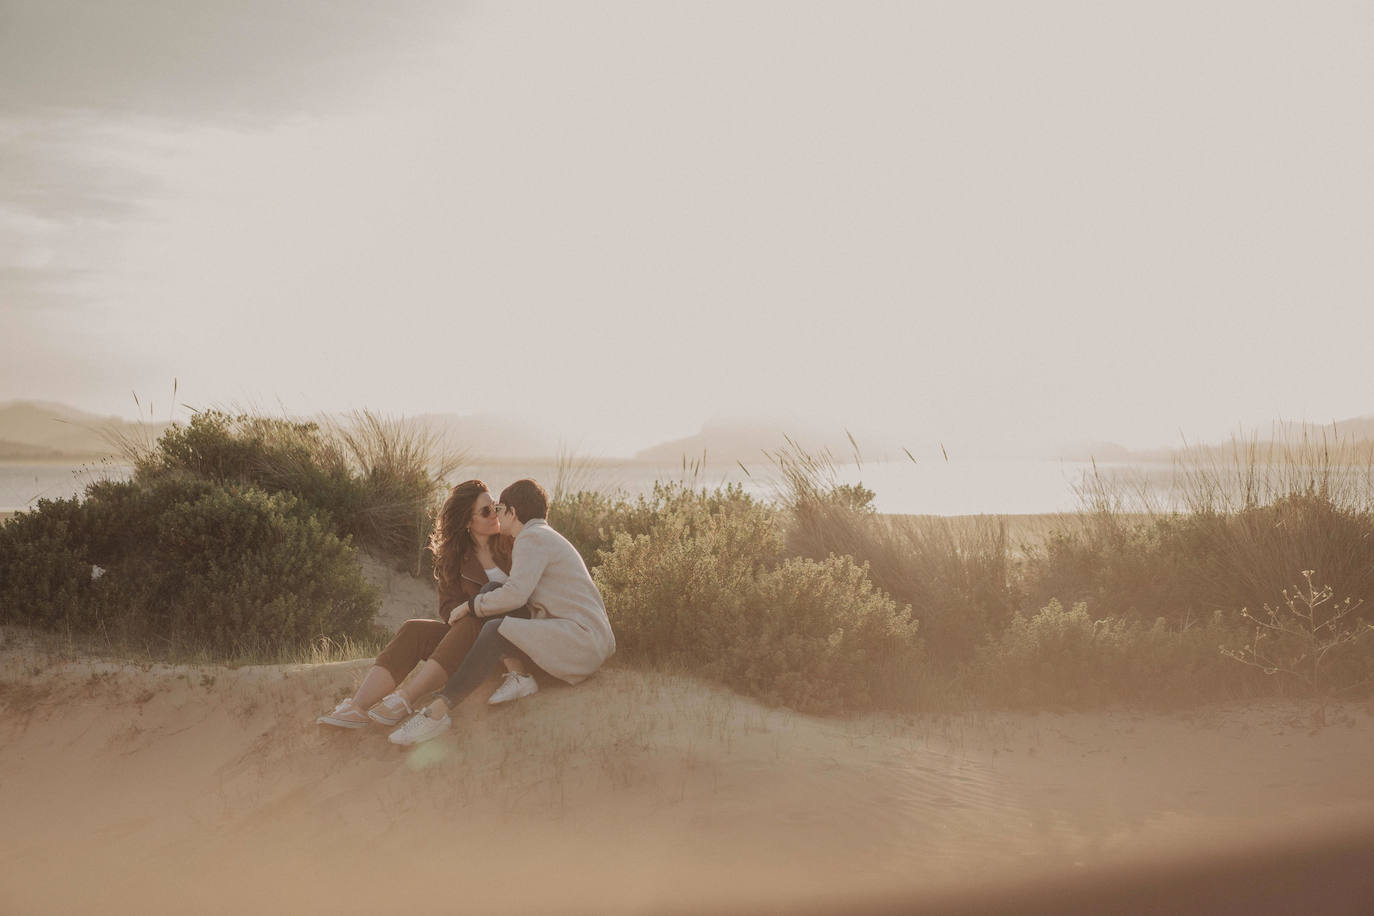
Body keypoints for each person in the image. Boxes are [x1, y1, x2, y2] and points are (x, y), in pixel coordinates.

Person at [388, 478, 616, 745]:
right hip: (582, 639)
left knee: (496, 626)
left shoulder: (530, 538)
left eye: (499, 509)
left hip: (581, 643)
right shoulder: (541, 535)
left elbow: (515, 596)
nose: (496, 515)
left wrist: (470, 606)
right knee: (494, 589)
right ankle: (518, 677)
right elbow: (511, 591)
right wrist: (480, 603)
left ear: (513, 512)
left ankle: (437, 712)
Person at [317, 479, 533, 729]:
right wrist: (470, 612)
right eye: (486, 511)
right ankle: (357, 707)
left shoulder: (514, 542)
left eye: (496, 506)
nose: (495, 514)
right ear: (467, 521)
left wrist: (477, 608)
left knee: (476, 612)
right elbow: (448, 611)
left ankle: (405, 699)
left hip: (513, 639)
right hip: (472, 640)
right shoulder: (455, 561)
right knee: (414, 629)